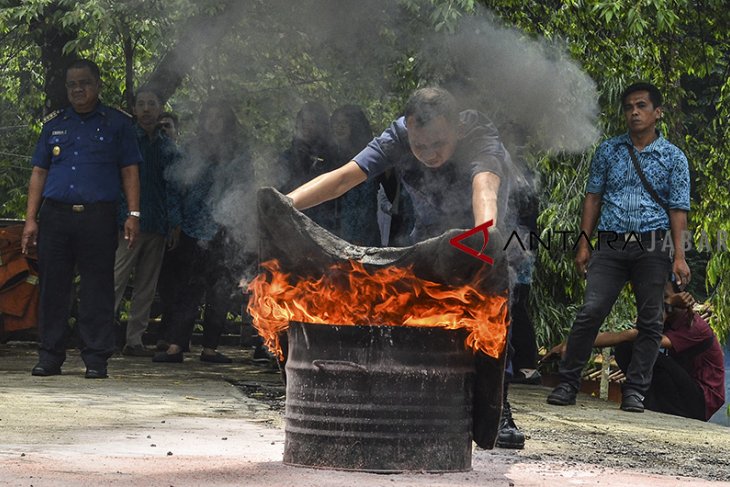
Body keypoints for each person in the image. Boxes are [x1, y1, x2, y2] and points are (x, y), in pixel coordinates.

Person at [287, 87, 523, 449]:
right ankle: (427, 393)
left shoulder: (479, 137)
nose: (428, 155)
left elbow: (486, 192)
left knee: (487, 302)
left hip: (480, 224)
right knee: (421, 300)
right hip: (430, 226)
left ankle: (498, 405)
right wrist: (286, 204)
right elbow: (344, 177)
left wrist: (484, 242)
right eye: (419, 146)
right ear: (408, 131)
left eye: (438, 145)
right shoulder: (397, 136)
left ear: (456, 130)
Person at [547, 82, 691, 412]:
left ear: (657, 113)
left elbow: (678, 209)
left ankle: (635, 392)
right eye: (629, 107)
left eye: (641, 106)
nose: (634, 112)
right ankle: (568, 383)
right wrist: (583, 244)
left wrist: (679, 256)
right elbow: (593, 198)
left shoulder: (673, 158)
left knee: (651, 319)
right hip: (610, 243)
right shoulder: (608, 151)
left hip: (653, 245)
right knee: (591, 311)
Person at [21, 58, 142, 379]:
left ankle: (96, 358)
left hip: (98, 218)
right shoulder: (54, 125)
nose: (78, 89)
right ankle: (49, 356)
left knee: (97, 289)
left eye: (84, 83)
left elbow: (130, 170)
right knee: (53, 288)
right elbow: (39, 172)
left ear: (97, 85)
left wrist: (133, 213)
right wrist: (30, 219)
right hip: (55, 217)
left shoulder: (118, 124)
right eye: (72, 84)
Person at [154, 99, 254, 364]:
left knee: (220, 290)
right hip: (192, 226)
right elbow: (174, 186)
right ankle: (176, 346)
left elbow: (246, 191)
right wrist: (175, 221)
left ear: (228, 123)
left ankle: (210, 348)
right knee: (186, 289)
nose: (213, 123)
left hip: (226, 230)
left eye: (219, 118)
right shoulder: (190, 150)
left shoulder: (239, 154)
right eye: (208, 118)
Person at [546, 280, 725, 421]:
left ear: (681, 297)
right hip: (683, 392)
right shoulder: (668, 322)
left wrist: (667, 304)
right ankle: (651, 404)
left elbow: (641, 337)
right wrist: (570, 343)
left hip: (700, 400)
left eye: (664, 296)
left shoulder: (694, 326)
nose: (659, 301)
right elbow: (632, 332)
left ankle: (647, 401)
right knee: (628, 349)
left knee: (640, 348)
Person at [113, 87, 181, 357]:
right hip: (129, 224)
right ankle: (101, 336)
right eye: (141, 104)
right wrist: (124, 216)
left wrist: (174, 222)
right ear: (134, 109)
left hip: (158, 223)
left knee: (146, 285)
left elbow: (175, 184)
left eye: (152, 104)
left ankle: (135, 340)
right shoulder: (127, 139)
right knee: (115, 280)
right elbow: (118, 182)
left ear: (160, 108)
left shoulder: (167, 144)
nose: (146, 110)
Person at [278, 102, 338, 233]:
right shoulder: (287, 157)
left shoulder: (332, 157)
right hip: (291, 226)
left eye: (312, 121)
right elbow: (280, 191)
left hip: (325, 228)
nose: (306, 126)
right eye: (303, 121)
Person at [329, 105, 381, 246]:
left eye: (344, 123)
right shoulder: (328, 156)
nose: (339, 127)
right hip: (332, 233)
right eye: (336, 122)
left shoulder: (370, 157)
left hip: (363, 236)